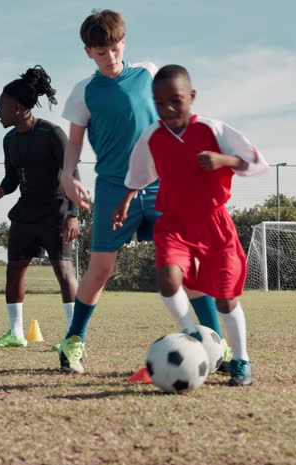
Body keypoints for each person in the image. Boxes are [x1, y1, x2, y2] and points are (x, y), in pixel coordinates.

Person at [57, 10, 222, 374]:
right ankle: (73, 341)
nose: (110, 58)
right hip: (115, 188)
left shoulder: (148, 73)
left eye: (115, 49)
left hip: (165, 185)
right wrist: (67, 175)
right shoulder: (84, 92)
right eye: (102, 53)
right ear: (88, 52)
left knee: (187, 264)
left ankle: (215, 343)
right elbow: (74, 142)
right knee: (101, 269)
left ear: (123, 43)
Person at [113, 64, 267, 386]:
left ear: (192, 97)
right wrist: (126, 199)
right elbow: (141, 173)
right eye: (159, 102)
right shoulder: (152, 135)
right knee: (168, 279)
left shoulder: (214, 129)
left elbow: (255, 162)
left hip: (214, 223)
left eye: (176, 100)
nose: (167, 108)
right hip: (174, 222)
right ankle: (190, 335)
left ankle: (241, 359)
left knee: (225, 299)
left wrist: (223, 160)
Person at [0, 66, 80, 348]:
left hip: (57, 211)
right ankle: (16, 334)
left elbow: (72, 174)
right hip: (26, 213)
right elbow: (12, 178)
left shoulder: (52, 133)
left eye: (2, 106)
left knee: (63, 272)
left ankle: (73, 337)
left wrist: (73, 215)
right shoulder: (10, 139)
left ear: (18, 107)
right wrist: (1, 190)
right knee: (14, 270)